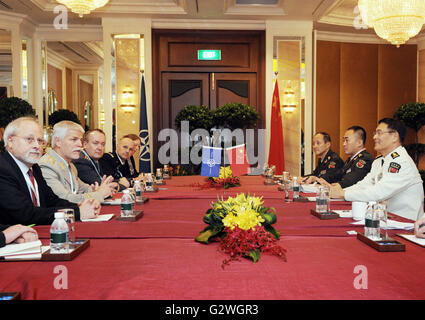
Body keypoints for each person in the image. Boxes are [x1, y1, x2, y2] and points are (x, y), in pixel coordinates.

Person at [0, 117, 98, 225]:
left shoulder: (35, 168)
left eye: (40, 141)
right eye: (29, 139)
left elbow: (52, 201)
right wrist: (76, 213)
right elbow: (25, 213)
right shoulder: (3, 169)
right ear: (10, 141)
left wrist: (80, 206)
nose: (37, 146)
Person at [331, 118, 424, 221]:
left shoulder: (401, 162)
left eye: (379, 133)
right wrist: (338, 191)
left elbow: (379, 192)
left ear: (394, 136)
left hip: (406, 224)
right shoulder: (379, 161)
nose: (374, 137)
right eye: (375, 133)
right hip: (386, 220)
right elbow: (364, 185)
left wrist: (343, 194)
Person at [38, 121, 116, 204]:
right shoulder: (46, 165)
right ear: (58, 141)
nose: (80, 144)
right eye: (74, 139)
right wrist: (99, 194)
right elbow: (64, 199)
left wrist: (99, 189)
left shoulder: (71, 166)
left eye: (80, 140)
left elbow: (84, 189)